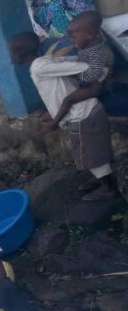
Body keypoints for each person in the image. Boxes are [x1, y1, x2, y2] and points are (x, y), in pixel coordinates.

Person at [10, 32, 117, 201]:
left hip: (82, 114)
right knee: (86, 151)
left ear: (19, 54)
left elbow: (78, 67)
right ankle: (100, 180)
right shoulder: (44, 62)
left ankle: (107, 188)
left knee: (89, 152)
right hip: (79, 114)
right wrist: (53, 114)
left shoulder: (39, 67)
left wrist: (101, 71)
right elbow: (57, 88)